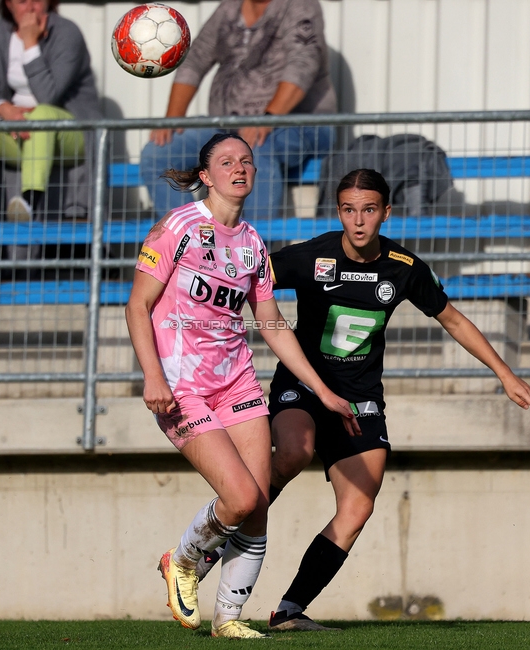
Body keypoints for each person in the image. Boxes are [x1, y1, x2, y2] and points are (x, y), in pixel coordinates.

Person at [197, 168, 530, 631]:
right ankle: (213, 542)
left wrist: (505, 373)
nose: (358, 220)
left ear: (386, 212)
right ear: (338, 211)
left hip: (360, 399)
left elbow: (454, 320)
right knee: (294, 453)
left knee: (359, 507)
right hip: (302, 386)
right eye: (348, 209)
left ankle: (289, 610)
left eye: (368, 210)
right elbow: (246, 280)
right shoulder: (313, 256)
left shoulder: (404, 268)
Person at [125, 133, 359, 639]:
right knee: (239, 498)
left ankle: (228, 619)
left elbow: (272, 323)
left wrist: (320, 389)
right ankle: (181, 560)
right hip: (181, 384)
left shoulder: (253, 243)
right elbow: (137, 305)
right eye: (227, 162)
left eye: (247, 161)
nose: (240, 168)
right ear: (205, 176)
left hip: (237, 383)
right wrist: (152, 375)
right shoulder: (177, 226)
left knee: (257, 505)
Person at [140, 0, 336, 221]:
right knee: (157, 153)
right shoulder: (229, 9)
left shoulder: (301, 6)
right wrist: (172, 119)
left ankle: (254, 249)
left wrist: (267, 119)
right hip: (228, 126)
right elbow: (194, 61)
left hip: (302, 125)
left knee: (252, 148)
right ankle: (194, 241)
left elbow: (303, 66)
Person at [0, 0, 101, 225]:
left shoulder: (67, 32)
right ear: (8, 5)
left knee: (42, 115)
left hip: (72, 133)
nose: (31, 7)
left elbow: (49, 95)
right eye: (22, 1)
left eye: (38, 0)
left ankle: (30, 201)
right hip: (19, 128)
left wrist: (30, 43)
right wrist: (6, 111)